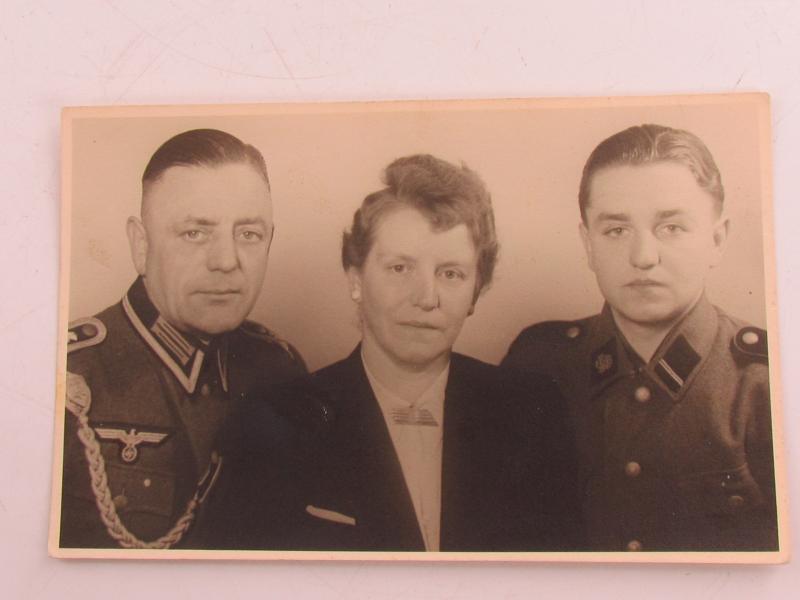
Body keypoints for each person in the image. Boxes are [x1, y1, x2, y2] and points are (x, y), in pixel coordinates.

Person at [233, 154, 580, 552]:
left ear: (475, 292)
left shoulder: (532, 411)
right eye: (400, 268)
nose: (426, 297)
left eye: (451, 273)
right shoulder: (278, 420)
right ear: (356, 278)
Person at [502, 124, 778, 551]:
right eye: (616, 230)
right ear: (588, 244)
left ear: (717, 240)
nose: (643, 257)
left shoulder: (770, 383)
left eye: (671, 228)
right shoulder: (540, 365)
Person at [60, 129, 306, 549]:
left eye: (248, 234)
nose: (227, 262)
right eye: (195, 233)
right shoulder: (69, 375)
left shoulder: (279, 368)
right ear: (141, 245)